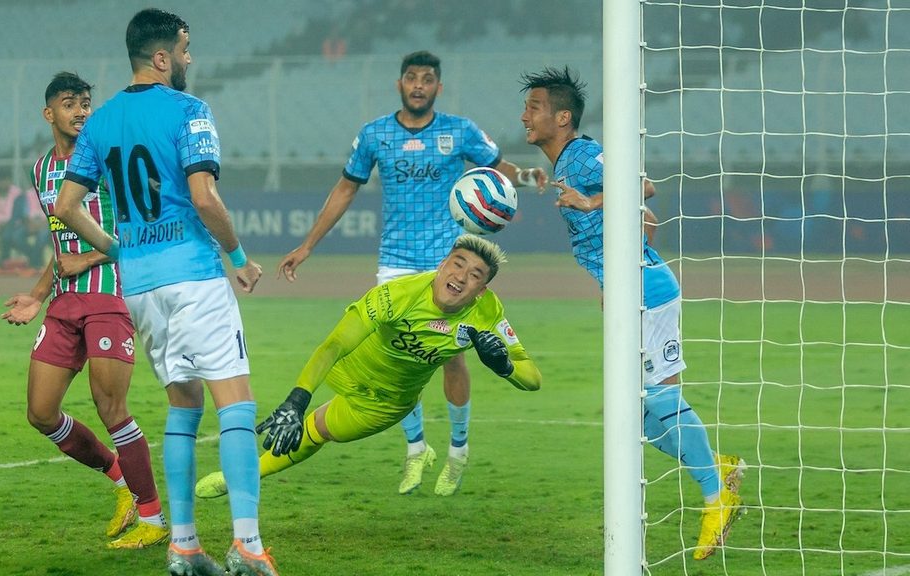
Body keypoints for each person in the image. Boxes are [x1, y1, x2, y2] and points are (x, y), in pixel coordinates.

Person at [53, 9, 277, 576]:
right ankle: (248, 545)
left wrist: (120, 249)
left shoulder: (101, 121)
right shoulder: (189, 110)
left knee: (183, 405)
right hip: (194, 276)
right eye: (184, 48)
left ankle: (184, 546)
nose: (188, 58)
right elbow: (204, 197)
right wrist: (239, 258)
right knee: (236, 402)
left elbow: (66, 207)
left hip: (141, 287)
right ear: (161, 57)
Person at [273, 50, 549, 497]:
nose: (419, 85)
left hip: (447, 260)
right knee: (401, 352)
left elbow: (498, 170)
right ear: (399, 84)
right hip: (396, 261)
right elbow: (345, 189)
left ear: (439, 87)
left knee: (453, 356)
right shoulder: (374, 134)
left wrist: (528, 176)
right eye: (411, 77)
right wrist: (308, 245)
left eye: (427, 78)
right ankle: (417, 448)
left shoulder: (460, 130)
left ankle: (458, 450)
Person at [518, 66, 745, 560]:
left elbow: (643, 188)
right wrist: (613, 278)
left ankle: (716, 499)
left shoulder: (582, 156)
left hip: (648, 292)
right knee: (634, 416)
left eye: (534, 108)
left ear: (562, 117)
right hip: (628, 291)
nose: (524, 117)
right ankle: (716, 466)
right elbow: (649, 221)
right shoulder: (565, 165)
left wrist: (590, 203)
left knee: (659, 397)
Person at [196, 235, 541, 498]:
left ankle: (241, 477)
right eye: (457, 264)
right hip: (347, 370)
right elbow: (334, 346)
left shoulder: (487, 312)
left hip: (385, 404)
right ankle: (420, 450)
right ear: (441, 264)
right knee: (304, 416)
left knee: (317, 431)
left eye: (475, 275)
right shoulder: (396, 295)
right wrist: (296, 399)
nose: (461, 277)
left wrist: (505, 367)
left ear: (481, 290)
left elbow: (532, 377)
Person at [1, 71, 168, 550]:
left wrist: (91, 258)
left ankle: (154, 520)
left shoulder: (110, 161)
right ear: (49, 113)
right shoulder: (41, 171)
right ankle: (121, 481)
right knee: (40, 413)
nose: (80, 111)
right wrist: (38, 295)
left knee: (110, 406)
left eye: (85, 103)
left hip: (111, 295)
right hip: (63, 302)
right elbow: (61, 246)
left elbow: (145, 229)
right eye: (69, 103)